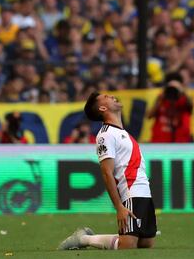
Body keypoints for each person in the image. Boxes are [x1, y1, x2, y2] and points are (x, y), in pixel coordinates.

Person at [58, 92, 156, 250]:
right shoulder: (106, 135)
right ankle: (84, 239)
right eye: (106, 97)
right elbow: (106, 172)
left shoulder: (123, 133)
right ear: (103, 108)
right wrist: (119, 207)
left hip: (144, 192)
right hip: (130, 191)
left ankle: (87, 238)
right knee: (127, 246)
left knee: (146, 243)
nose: (112, 96)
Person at [147, 73, 193, 142]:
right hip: (159, 142)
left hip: (181, 143)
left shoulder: (184, 99)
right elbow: (149, 116)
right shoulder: (161, 98)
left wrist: (182, 91)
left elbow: (191, 107)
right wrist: (161, 98)